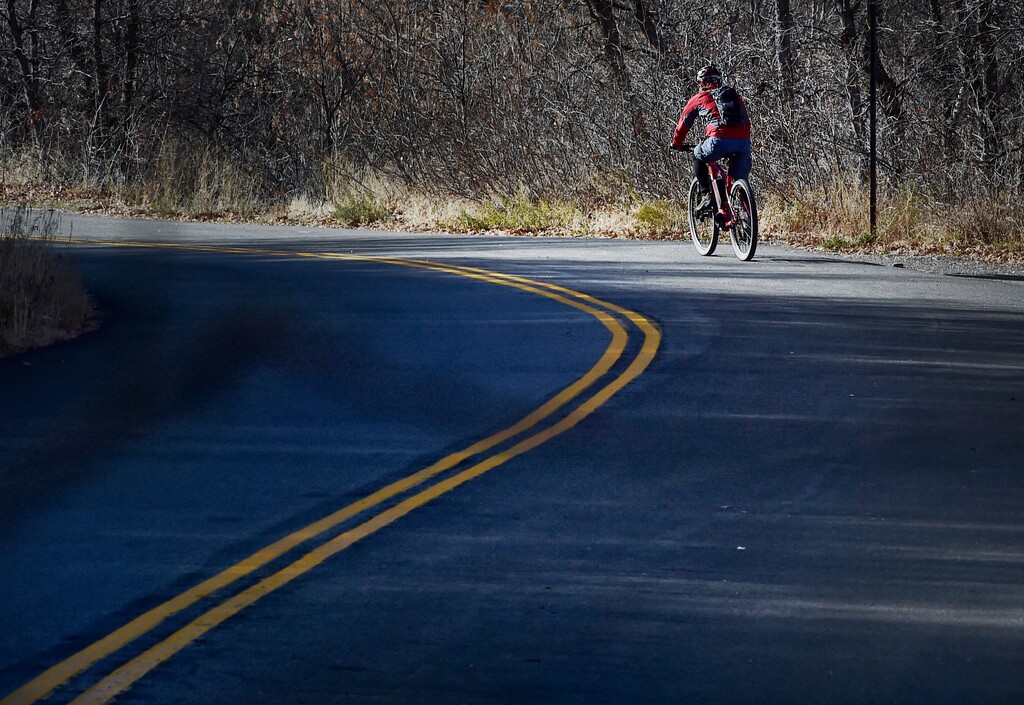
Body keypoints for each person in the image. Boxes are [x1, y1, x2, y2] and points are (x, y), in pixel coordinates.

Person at [671, 64, 752, 214]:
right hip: (743, 142)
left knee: (697, 154)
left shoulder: (700, 97)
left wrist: (677, 143)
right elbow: (746, 120)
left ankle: (706, 195)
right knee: (741, 180)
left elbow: (683, 124)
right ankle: (748, 216)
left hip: (718, 141)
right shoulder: (734, 96)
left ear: (701, 83)